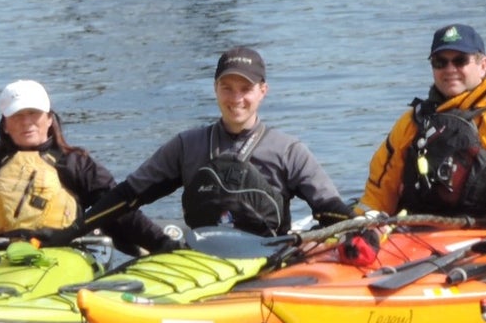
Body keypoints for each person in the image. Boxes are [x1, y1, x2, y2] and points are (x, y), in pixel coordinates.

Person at [92, 47, 353, 237]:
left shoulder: (288, 151)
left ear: (263, 91)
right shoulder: (187, 145)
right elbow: (127, 196)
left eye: (245, 89)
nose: (236, 98)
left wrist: (362, 232)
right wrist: (70, 231)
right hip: (206, 262)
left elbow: (331, 210)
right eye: (227, 87)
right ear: (215, 89)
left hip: (271, 263)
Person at [0, 79, 176, 254]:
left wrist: (165, 246)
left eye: (34, 114)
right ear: (5, 124)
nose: (27, 122)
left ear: (49, 119)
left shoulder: (76, 163)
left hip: (61, 253)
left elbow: (119, 213)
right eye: (18, 115)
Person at [362, 25, 486, 228]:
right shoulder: (411, 123)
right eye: (440, 62)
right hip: (414, 237)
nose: (450, 69)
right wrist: (360, 225)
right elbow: (376, 196)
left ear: (483, 65)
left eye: (460, 61)